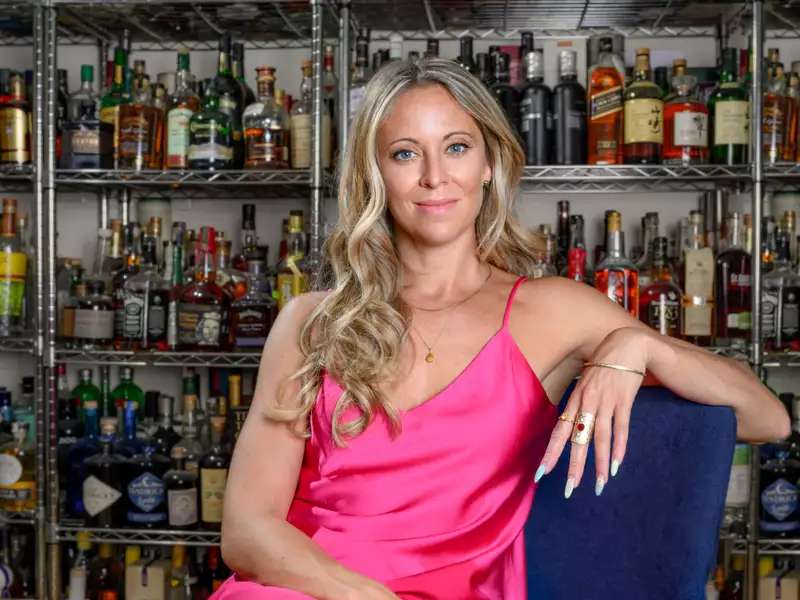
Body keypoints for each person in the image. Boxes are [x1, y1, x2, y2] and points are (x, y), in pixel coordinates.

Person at [212, 58, 789, 600]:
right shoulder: (310, 322)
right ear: (375, 174)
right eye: (406, 154)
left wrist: (637, 344)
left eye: (456, 148)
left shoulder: (552, 311)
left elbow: (769, 417)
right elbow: (246, 531)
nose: (436, 177)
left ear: (488, 164)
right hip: (303, 587)